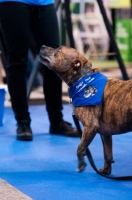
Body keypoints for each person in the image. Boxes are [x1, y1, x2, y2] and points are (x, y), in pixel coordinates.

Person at [0, 0, 79, 141]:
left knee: (54, 62)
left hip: (44, 3)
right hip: (13, 3)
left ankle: (56, 121)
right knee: (17, 62)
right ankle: (23, 123)